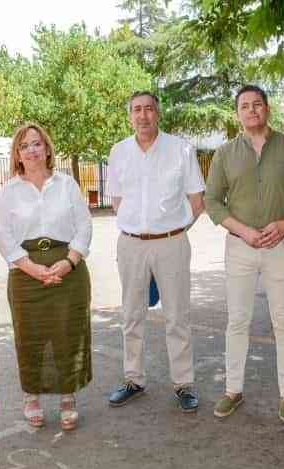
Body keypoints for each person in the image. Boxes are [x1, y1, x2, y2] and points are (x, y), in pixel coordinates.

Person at [205, 85, 284, 421]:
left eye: (257, 104)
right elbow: (211, 202)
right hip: (240, 246)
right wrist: (243, 230)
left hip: (279, 245)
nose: (251, 110)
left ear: (267, 109)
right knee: (237, 320)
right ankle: (233, 390)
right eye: (244, 106)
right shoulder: (224, 154)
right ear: (237, 113)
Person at [105, 91, 205, 411]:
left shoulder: (181, 149)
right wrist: (138, 228)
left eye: (149, 109)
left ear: (157, 113)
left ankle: (184, 384)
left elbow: (196, 200)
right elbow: (116, 200)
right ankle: (133, 379)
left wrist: (173, 230)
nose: (143, 115)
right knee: (131, 315)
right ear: (130, 115)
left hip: (172, 243)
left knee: (177, 316)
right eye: (137, 110)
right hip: (131, 245)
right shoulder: (119, 152)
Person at [0, 122, 93, 430]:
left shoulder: (66, 184)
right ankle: (31, 397)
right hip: (26, 274)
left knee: (68, 334)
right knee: (30, 337)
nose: (32, 150)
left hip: (68, 271)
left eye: (37, 143)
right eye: (25, 146)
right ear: (17, 154)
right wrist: (30, 267)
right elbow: (3, 236)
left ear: (47, 148)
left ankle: (68, 397)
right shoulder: (9, 191)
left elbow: (84, 225)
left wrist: (70, 261)